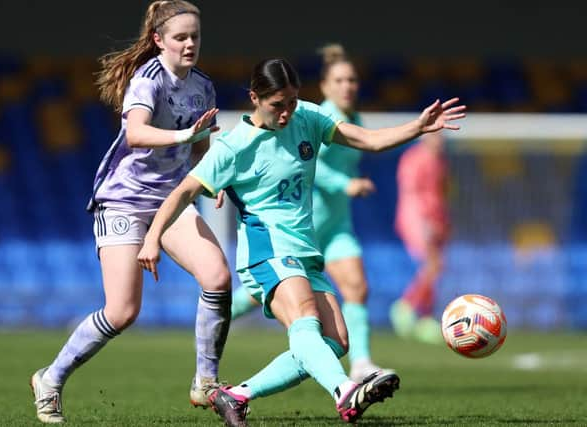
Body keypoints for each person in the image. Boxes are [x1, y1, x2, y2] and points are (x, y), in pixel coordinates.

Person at [138, 58, 465, 426]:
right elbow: (184, 190)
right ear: (255, 98)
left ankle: (237, 395)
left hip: (305, 250)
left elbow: (369, 141)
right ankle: (345, 392)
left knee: (336, 341)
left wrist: (417, 128)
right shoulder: (233, 146)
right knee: (305, 319)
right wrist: (152, 237)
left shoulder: (307, 117)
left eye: (292, 102)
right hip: (268, 251)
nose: (286, 113)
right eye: (278, 105)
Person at [29, 1, 232, 423]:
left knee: (217, 277)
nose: (190, 43)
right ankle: (50, 378)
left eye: (195, 36)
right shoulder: (147, 79)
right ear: (159, 40)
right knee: (122, 311)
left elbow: (201, 145)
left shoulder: (203, 86)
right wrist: (184, 133)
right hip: (124, 199)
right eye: (180, 37)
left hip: (170, 199)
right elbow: (136, 133)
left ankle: (206, 382)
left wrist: (210, 177)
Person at [230, 44, 385, 382]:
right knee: (271, 297)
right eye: (340, 80)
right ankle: (219, 314)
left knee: (357, 286)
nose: (348, 86)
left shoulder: (356, 119)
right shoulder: (316, 116)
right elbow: (306, 167)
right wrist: (345, 184)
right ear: (326, 86)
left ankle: (360, 363)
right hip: (303, 225)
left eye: (353, 80)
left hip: (337, 224)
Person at [390, 131, 449, 344]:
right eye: (436, 136)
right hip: (418, 219)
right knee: (433, 265)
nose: (440, 140)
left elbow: (440, 192)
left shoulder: (439, 160)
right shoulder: (415, 158)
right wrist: (424, 222)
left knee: (434, 267)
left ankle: (424, 317)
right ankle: (405, 307)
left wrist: (442, 219)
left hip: (435, 219)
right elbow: (411, 191)